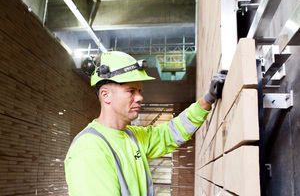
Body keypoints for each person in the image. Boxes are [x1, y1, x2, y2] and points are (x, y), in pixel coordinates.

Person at [64, 51, 227, 196]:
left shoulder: (132, 136)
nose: (140, 97)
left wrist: (207, 100)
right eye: (131, 91)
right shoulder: (90, 150)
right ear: (106, 96)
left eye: (139, 91)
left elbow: (170, 133)